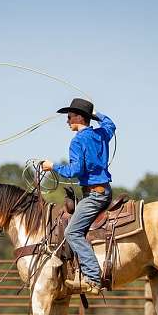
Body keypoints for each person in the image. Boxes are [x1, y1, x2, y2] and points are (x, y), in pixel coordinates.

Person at [42, 98, 116, 294]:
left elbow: (75, 170)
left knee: (71, 232)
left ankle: (92, 277)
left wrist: (52, 166)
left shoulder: (78, 141)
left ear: (79, 117)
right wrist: (96, 114)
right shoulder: (102, 133)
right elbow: (110, 124)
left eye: (69, 117)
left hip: (94, 196)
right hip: (105, 191)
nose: (67, 121)